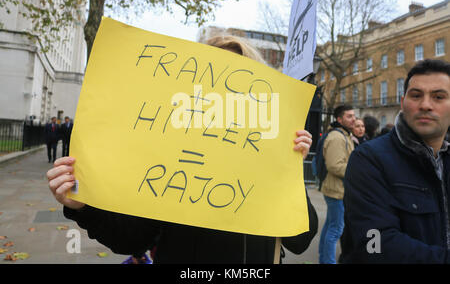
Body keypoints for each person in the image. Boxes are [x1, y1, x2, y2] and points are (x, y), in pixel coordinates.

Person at [46, 35, 318, 264]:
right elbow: (131, 238)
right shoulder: (170, 157)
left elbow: (300, 240)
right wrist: (83, 207)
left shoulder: (268, 160)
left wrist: (288, 170)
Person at [342, 59, 450, 263]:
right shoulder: (369, 159)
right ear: (403, 103)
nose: (426, 105)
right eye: (416, 95)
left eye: (438, 97)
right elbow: (374, 245)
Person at [318, 104, 355, 264]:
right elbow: (334, 166)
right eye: (349, 116)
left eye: (354, 116)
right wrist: (359, 171)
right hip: (336, 191)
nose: (353, 119)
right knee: (335, 230)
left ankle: (324, 259)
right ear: (339, 119)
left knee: (330, 227)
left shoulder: (344, 135)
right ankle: (328, 261)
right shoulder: (337, 137)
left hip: (337, 189)